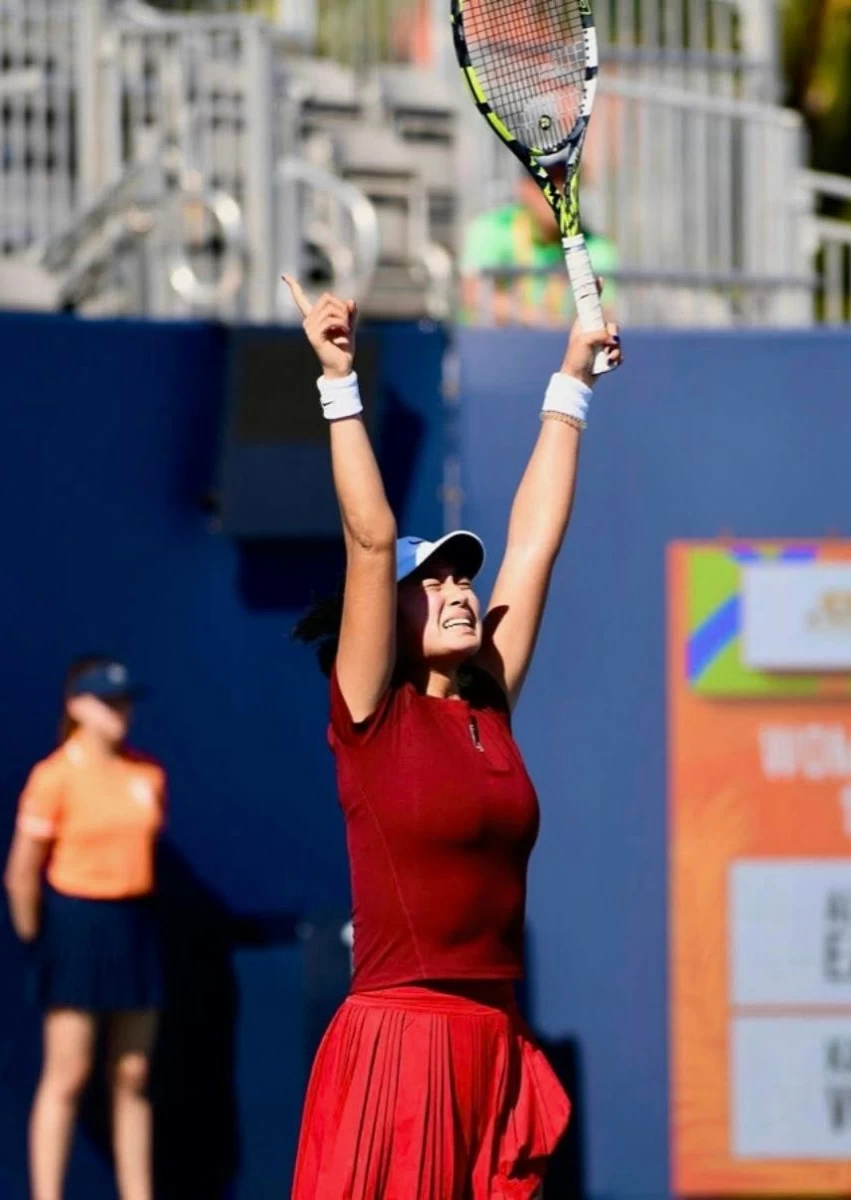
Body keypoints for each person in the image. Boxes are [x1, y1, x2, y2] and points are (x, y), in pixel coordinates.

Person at [281, 273, 621, 1200]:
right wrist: (339, 383)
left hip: (494, 1044)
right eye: (430, 584)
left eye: (461, 578)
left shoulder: (488, 703)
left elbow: (534, 544)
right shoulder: (370, 712)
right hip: (402, 1052)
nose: (458, 590)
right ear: (386, 616)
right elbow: (370, 537)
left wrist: (573, 379)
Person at [3, 658, 165, 1200]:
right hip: (76, 926)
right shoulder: (53, 776)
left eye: (124, 700)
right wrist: (40, 941)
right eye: (106, 700)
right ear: (76, 707)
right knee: (67, 1075)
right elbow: (21, 873)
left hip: (135, 924)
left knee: (133, 1073)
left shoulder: (147, 773)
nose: (120, 711)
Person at [461, 175, 619, 327]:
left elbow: (604, 316)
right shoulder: (492, 229)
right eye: (546, 181)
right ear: (524, 188)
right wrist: (539, 319)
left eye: (565, 181)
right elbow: (473, 296)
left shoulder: (597, 247)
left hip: (562, 342)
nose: (557, 192)